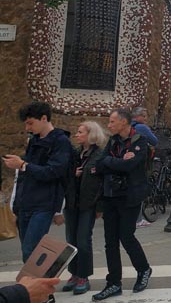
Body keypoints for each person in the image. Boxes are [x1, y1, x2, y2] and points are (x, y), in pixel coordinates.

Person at [92, 108, 152, 300]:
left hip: (130, 196)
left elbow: (130, 166)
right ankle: (113, 283)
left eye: (111, 122)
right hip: (110, 195)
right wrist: (116, 160)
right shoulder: (113, 141)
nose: (108, 125)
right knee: (110, 241)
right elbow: (99, 165)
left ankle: (143, 270)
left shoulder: (139, 141)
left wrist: (112, 162)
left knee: (126, 236)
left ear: (123, 123)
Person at [2, 102, 72, 263]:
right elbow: (25, 174)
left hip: (44, 203)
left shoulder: (60, 141)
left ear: (44, 118)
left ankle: (37, 284)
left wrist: (22, 165)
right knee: (27, 250)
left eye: (30, 123)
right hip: (26, 202)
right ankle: (36, 284)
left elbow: (53, 171)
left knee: (32, 249)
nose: (27, 128)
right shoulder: (33, 140)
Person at [61, 121, 107, 295]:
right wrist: (74, 175)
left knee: (83, 240)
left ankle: (83, 276)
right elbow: (66, 176)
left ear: (90, 134)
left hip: (88, 204)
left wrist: (100, 207)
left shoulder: (99, 156)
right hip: (72, 203)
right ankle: (74, 273)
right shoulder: (76, 154)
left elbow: (103, 183)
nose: (76, 135)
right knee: (71, 241)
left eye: (80, 132)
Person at [130, 107, 157, 228]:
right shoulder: (141, 127)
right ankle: (138, 219)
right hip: (141, 162)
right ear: (137, 116)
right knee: (139, 190)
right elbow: (154, 141)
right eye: (144, 116)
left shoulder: (127, 127)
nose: (146, 119)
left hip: (128, 162)